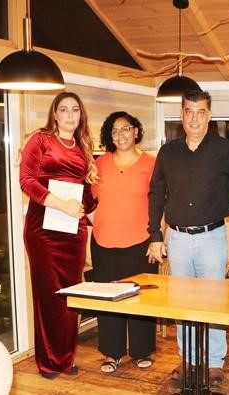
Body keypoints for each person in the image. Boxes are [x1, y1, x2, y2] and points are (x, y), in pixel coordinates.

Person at [147, 89, 229, 386]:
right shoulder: (168, 152)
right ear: (181, 114)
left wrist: (219, 204)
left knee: (213, 301)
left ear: (209, 115)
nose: (194, 118)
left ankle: (214, 362)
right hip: (176, 238)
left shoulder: (225, 150)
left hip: (212, 237)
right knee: (182, 302)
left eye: (201, 112)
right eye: (189, 111)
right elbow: (156, 194)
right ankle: (189, 359)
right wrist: (155, 234)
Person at [19, 92, 97, 379]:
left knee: (69, 297)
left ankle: (64, 359)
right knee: (48, 295)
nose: (69, 115)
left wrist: (92, 209)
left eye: (75, 110)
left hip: (72, 232)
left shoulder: (83, 146)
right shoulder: (40, 140)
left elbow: (86, 191)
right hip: (43, 229)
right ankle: (48, 362)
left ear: (80, 115)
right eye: (63, 109)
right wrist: (61, 204)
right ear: (54, 114)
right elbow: (26, 181)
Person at [90, 111, 157, 373]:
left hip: (141, 242)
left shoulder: (151, 164)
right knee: (108, 301)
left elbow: (160, 203)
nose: (121, 135)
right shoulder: (100, 163)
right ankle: (111, 353)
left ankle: (141, 351)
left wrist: (157, 238)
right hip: (104, 242)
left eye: (126, 128)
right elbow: (89, 199)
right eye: (115, 131)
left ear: (137, 131)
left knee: (141, 300)